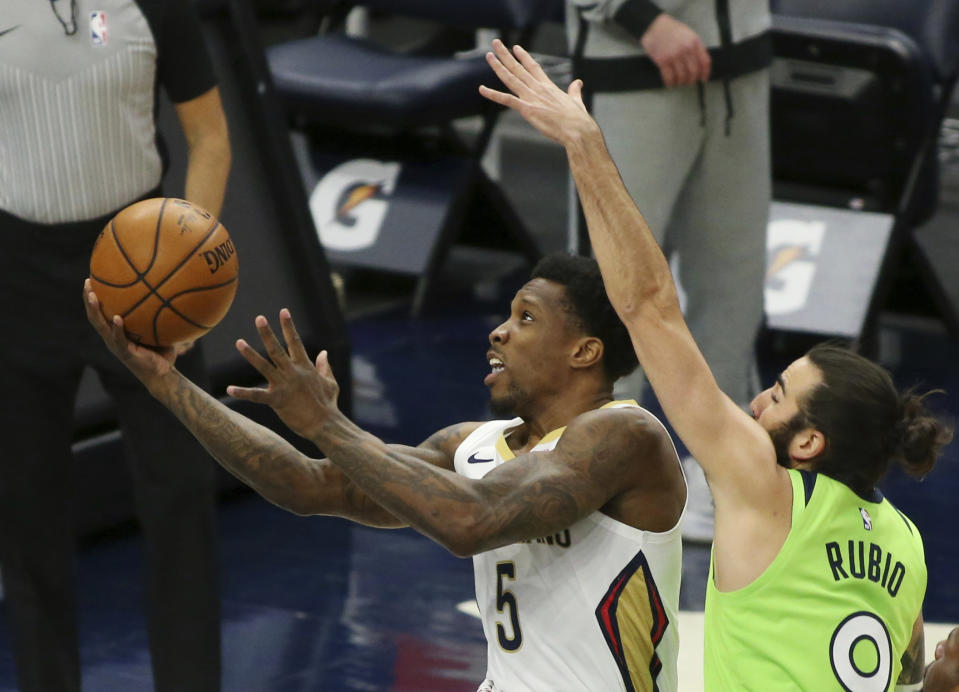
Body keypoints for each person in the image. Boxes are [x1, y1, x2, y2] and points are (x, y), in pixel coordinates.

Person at [479, 39, 954, 690]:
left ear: (809, 441)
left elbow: (649, 307)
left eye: (778, 396)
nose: (755, 401)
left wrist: (584, 147)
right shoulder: (906, 543)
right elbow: (901, 679)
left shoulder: (768, 489)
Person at [84, 253, 688, 691]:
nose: (498, 330)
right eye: (507, 313)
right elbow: (306, 484)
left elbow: (472, 521)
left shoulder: (625, 435)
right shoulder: (470, 445)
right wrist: (164, 382)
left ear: (585, 352)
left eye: (527, 318)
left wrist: (326, 423)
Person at [0, 1, 230, 690]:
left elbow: (209, 136)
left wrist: (190, 266)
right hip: (15, 280)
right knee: (25, 516)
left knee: (183, 503)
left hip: (142, 272)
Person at [565, 0, 773, 542]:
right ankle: (592, 469)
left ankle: (720, 470)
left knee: (735, 285)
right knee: (609, 290)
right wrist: (641, 20)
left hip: (739, 68)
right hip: (633, 65)